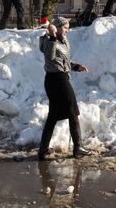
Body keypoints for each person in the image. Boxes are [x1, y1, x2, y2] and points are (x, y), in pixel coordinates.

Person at [38, 16, 90, 160]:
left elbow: (64, 60)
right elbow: (50, 56)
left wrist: (76, 66)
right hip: (57, 81)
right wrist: (53, 36)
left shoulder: (62, 40)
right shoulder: (49, 39)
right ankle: (78, 148)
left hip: (59, 79)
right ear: (59, 27)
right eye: (65, 28)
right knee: (73, 112)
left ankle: (43, 150)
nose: (68, 30)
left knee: (53, 116)